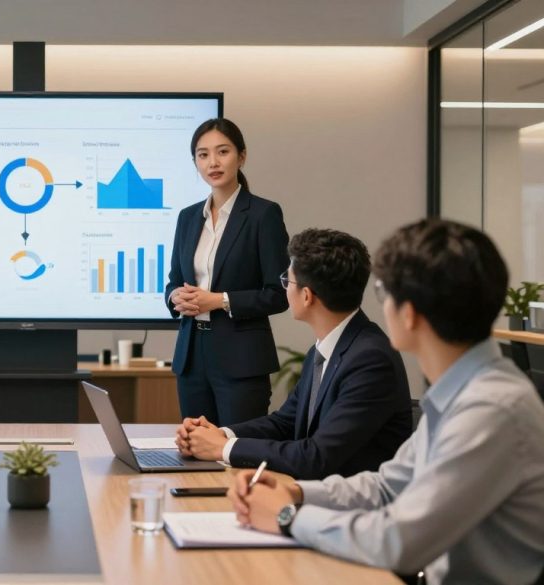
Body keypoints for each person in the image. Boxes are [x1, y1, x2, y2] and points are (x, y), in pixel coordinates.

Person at [229, 219, 544, 585]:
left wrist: (288, 516)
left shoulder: (491, 409)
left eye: (383, 293)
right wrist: (295, 492)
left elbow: (398, 541)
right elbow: (387, 486)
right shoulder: (465, 392)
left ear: (408, 313)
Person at [175, 228, 412, 480]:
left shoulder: (370, 360)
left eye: (287, 281)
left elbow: (316, 457)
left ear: (307, 296)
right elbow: (285, 422)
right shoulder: (325, 349)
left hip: (351, 508)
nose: (285, 288)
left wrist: (222, 448)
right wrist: (221, 434)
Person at [165, 118, 290, 425]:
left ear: (241, 156)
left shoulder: (263, 215)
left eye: (223, 152)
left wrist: (219, 300)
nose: (213, 162)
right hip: (192, 356)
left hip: (241, 358)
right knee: (195, 451)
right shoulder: (188, 217)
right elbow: (172, 282)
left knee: (237, 451)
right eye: (203, 154)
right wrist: (176, 297)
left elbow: (279, 293)